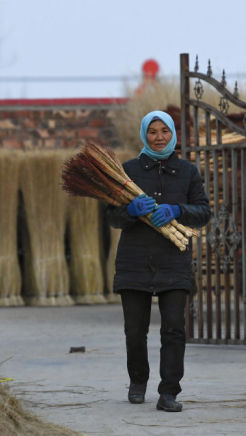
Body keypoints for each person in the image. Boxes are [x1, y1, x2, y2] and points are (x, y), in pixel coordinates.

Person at [105, 110, 210, 412]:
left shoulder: (188, 172)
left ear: (173, 134)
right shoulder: (128, 171)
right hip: (134, 261)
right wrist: (132, 211)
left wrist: (178, 210)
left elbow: (204, 212)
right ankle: (138, 381)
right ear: (144, 135)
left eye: (165, 131)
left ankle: (169, 392)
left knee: (174, 329)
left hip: (173, 261)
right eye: (153, 132)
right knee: (135, 330)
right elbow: (112, 216)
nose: (159, 137)